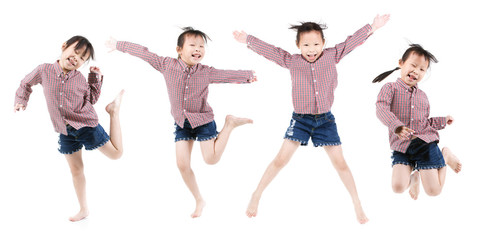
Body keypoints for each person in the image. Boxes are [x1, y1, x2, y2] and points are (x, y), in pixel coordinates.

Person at [233, 14, 390, 224]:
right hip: (300, 120)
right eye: (306, 44)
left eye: (316, 44)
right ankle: (257, 194)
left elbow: (351, 42)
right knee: (280, 160)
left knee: (341, 164)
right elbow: (271, 51)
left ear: (323, 44)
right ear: (298, 45)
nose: (311, 49)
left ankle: (357, 203)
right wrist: (248, 40)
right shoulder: (292, 61)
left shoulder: (332, 55)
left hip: (325, 120)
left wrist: (373, 27)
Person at [106, 27, 257, 218]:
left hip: (202, 120)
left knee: (211, 160)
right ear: (179, 50)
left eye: (202, 46)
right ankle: (199, 200)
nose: (198, 49)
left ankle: (229, 124)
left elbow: (225, 74)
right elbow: (145, 53)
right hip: (181, 122)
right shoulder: (166, 65)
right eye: (193, 45)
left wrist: (248, 76)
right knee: (182, 164)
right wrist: (119, 45)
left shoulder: (205, 72)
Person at [14, 35, 125, 222]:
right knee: (76, 170)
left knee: (116, 154)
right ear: (64, 47)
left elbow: (90, 99)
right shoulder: (44, 70)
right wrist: (21, 101)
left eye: (82, 58)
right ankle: (84, 209)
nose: (77, 59)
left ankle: (113, 112)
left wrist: (95, 78)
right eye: (75, 52)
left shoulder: (80, 79)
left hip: (85, 125)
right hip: (64, 130)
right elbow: (25, 83)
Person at [374, 44, 461, 200]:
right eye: (413, 65)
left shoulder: (423, 96)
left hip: (425, 146)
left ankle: (445, 157)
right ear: (401, 63)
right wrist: (397, 126)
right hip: (402, 147)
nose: (416, 71)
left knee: (434, 191)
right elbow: (381, 109)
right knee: (398, 187)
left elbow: (425, 123)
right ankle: (414, 177)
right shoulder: (390, 88)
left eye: (422, 69)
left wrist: (443, 120)